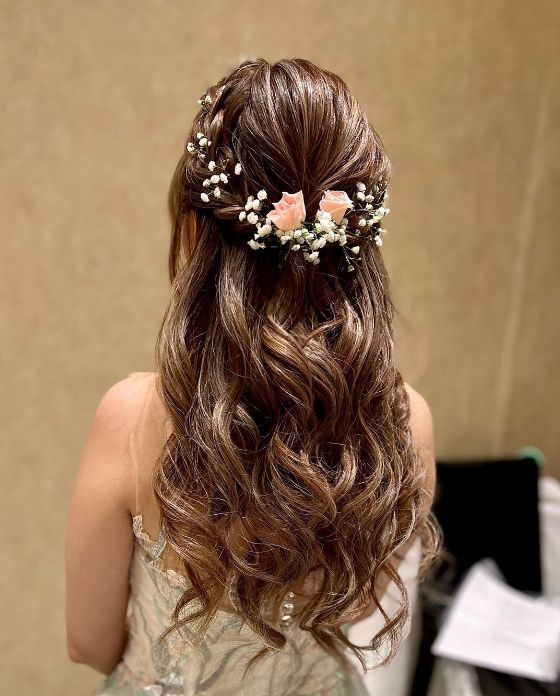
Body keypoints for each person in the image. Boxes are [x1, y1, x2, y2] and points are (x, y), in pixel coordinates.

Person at [65, 57, 439, 695]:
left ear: (194, 229)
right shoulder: (407, 422)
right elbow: (350, 610)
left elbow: (88, 642)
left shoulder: (132, 417)